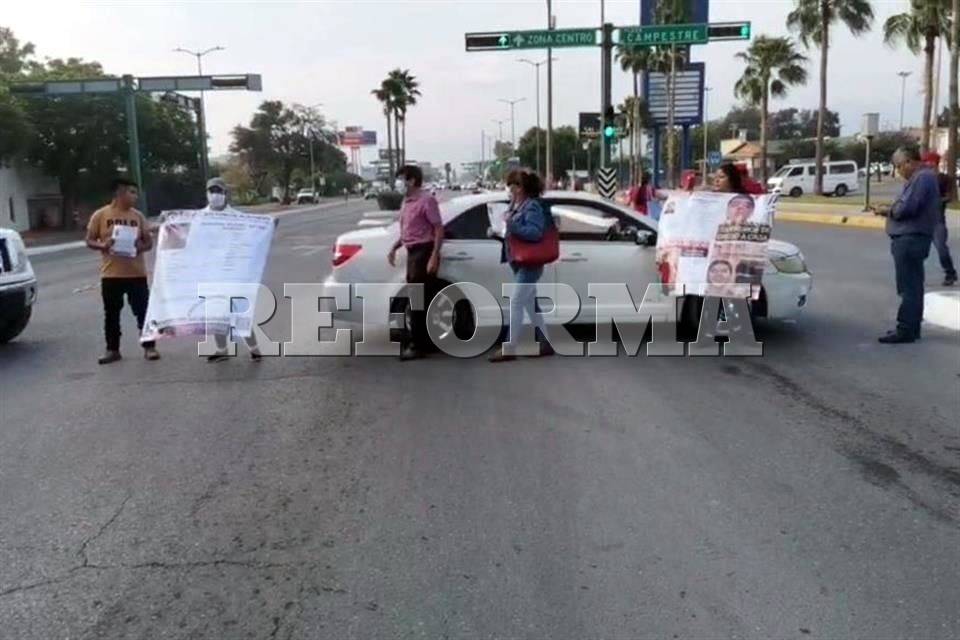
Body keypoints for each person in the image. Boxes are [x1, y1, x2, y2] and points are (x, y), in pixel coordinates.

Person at [870, 147, 941, 344]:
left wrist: (888, 210)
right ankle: (912, 327)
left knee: (908, 286)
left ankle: (906, 329)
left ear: (909, 162)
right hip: (912, 238)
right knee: (914, 285)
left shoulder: (922, 178)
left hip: (910, 239)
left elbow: (907, 207)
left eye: (899, 166)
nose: (899, 170)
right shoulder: (922, 177)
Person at [85, 177, 159, 364]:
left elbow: (148, 243)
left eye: (136, 192)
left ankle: (149, 347)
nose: (135, 196)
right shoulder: (101, 215)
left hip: (136, 273)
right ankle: (112, 349)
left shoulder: (138, 216)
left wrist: (138, 246)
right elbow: (89, 240)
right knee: (111, 313)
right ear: (119, 193)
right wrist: (103, 245)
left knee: (143, 312)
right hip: (111, 274)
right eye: (131, 192)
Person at [200, 177, 271, 363]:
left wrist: (268, 228)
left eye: (218, 191)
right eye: (211, 190)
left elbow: (252, 239)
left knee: (240, 314)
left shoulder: (238, 218)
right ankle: (221, 349)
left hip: (234, 274)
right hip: (211, 274)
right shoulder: (200, 218)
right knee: (216, 316)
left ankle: (254, 349)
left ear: (226, 194)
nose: (215, 195)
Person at [489, 169, 555, 363]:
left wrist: (512, 226)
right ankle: (545, 343)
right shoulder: (516, 206)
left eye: (514, 185)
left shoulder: (532, 206)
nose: (510, 188)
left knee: (516, 302)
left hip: (530, 262)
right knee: (530, 304)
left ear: (522, 188)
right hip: (518, 261)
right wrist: (496, 231)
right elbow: (510, 233)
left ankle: (509, 348)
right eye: (510, 184)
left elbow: (535, 233)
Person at [388, 165, 444, 361]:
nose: (398, 184)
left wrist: (434, 255)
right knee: (421, 299)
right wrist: (395, 247)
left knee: (418, 299)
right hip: (412, 252)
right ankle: (426, 343)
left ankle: (417, 345)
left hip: (423, 252)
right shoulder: (407, 202)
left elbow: (438, 228)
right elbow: (408, 231)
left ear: (411, 181)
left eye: (400, 179)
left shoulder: (426, 200)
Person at [921, 152, 957, 286]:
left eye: (930, 163)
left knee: (942, 248)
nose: (928, 165)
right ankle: (915, 276)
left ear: (935, 164)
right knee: (917, 251)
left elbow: (950, 197)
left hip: (937, 221)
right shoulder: (920, 179)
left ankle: (950, 273)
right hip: (922, 221)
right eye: (926, 163)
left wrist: (938, 200)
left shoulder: (944, 179)